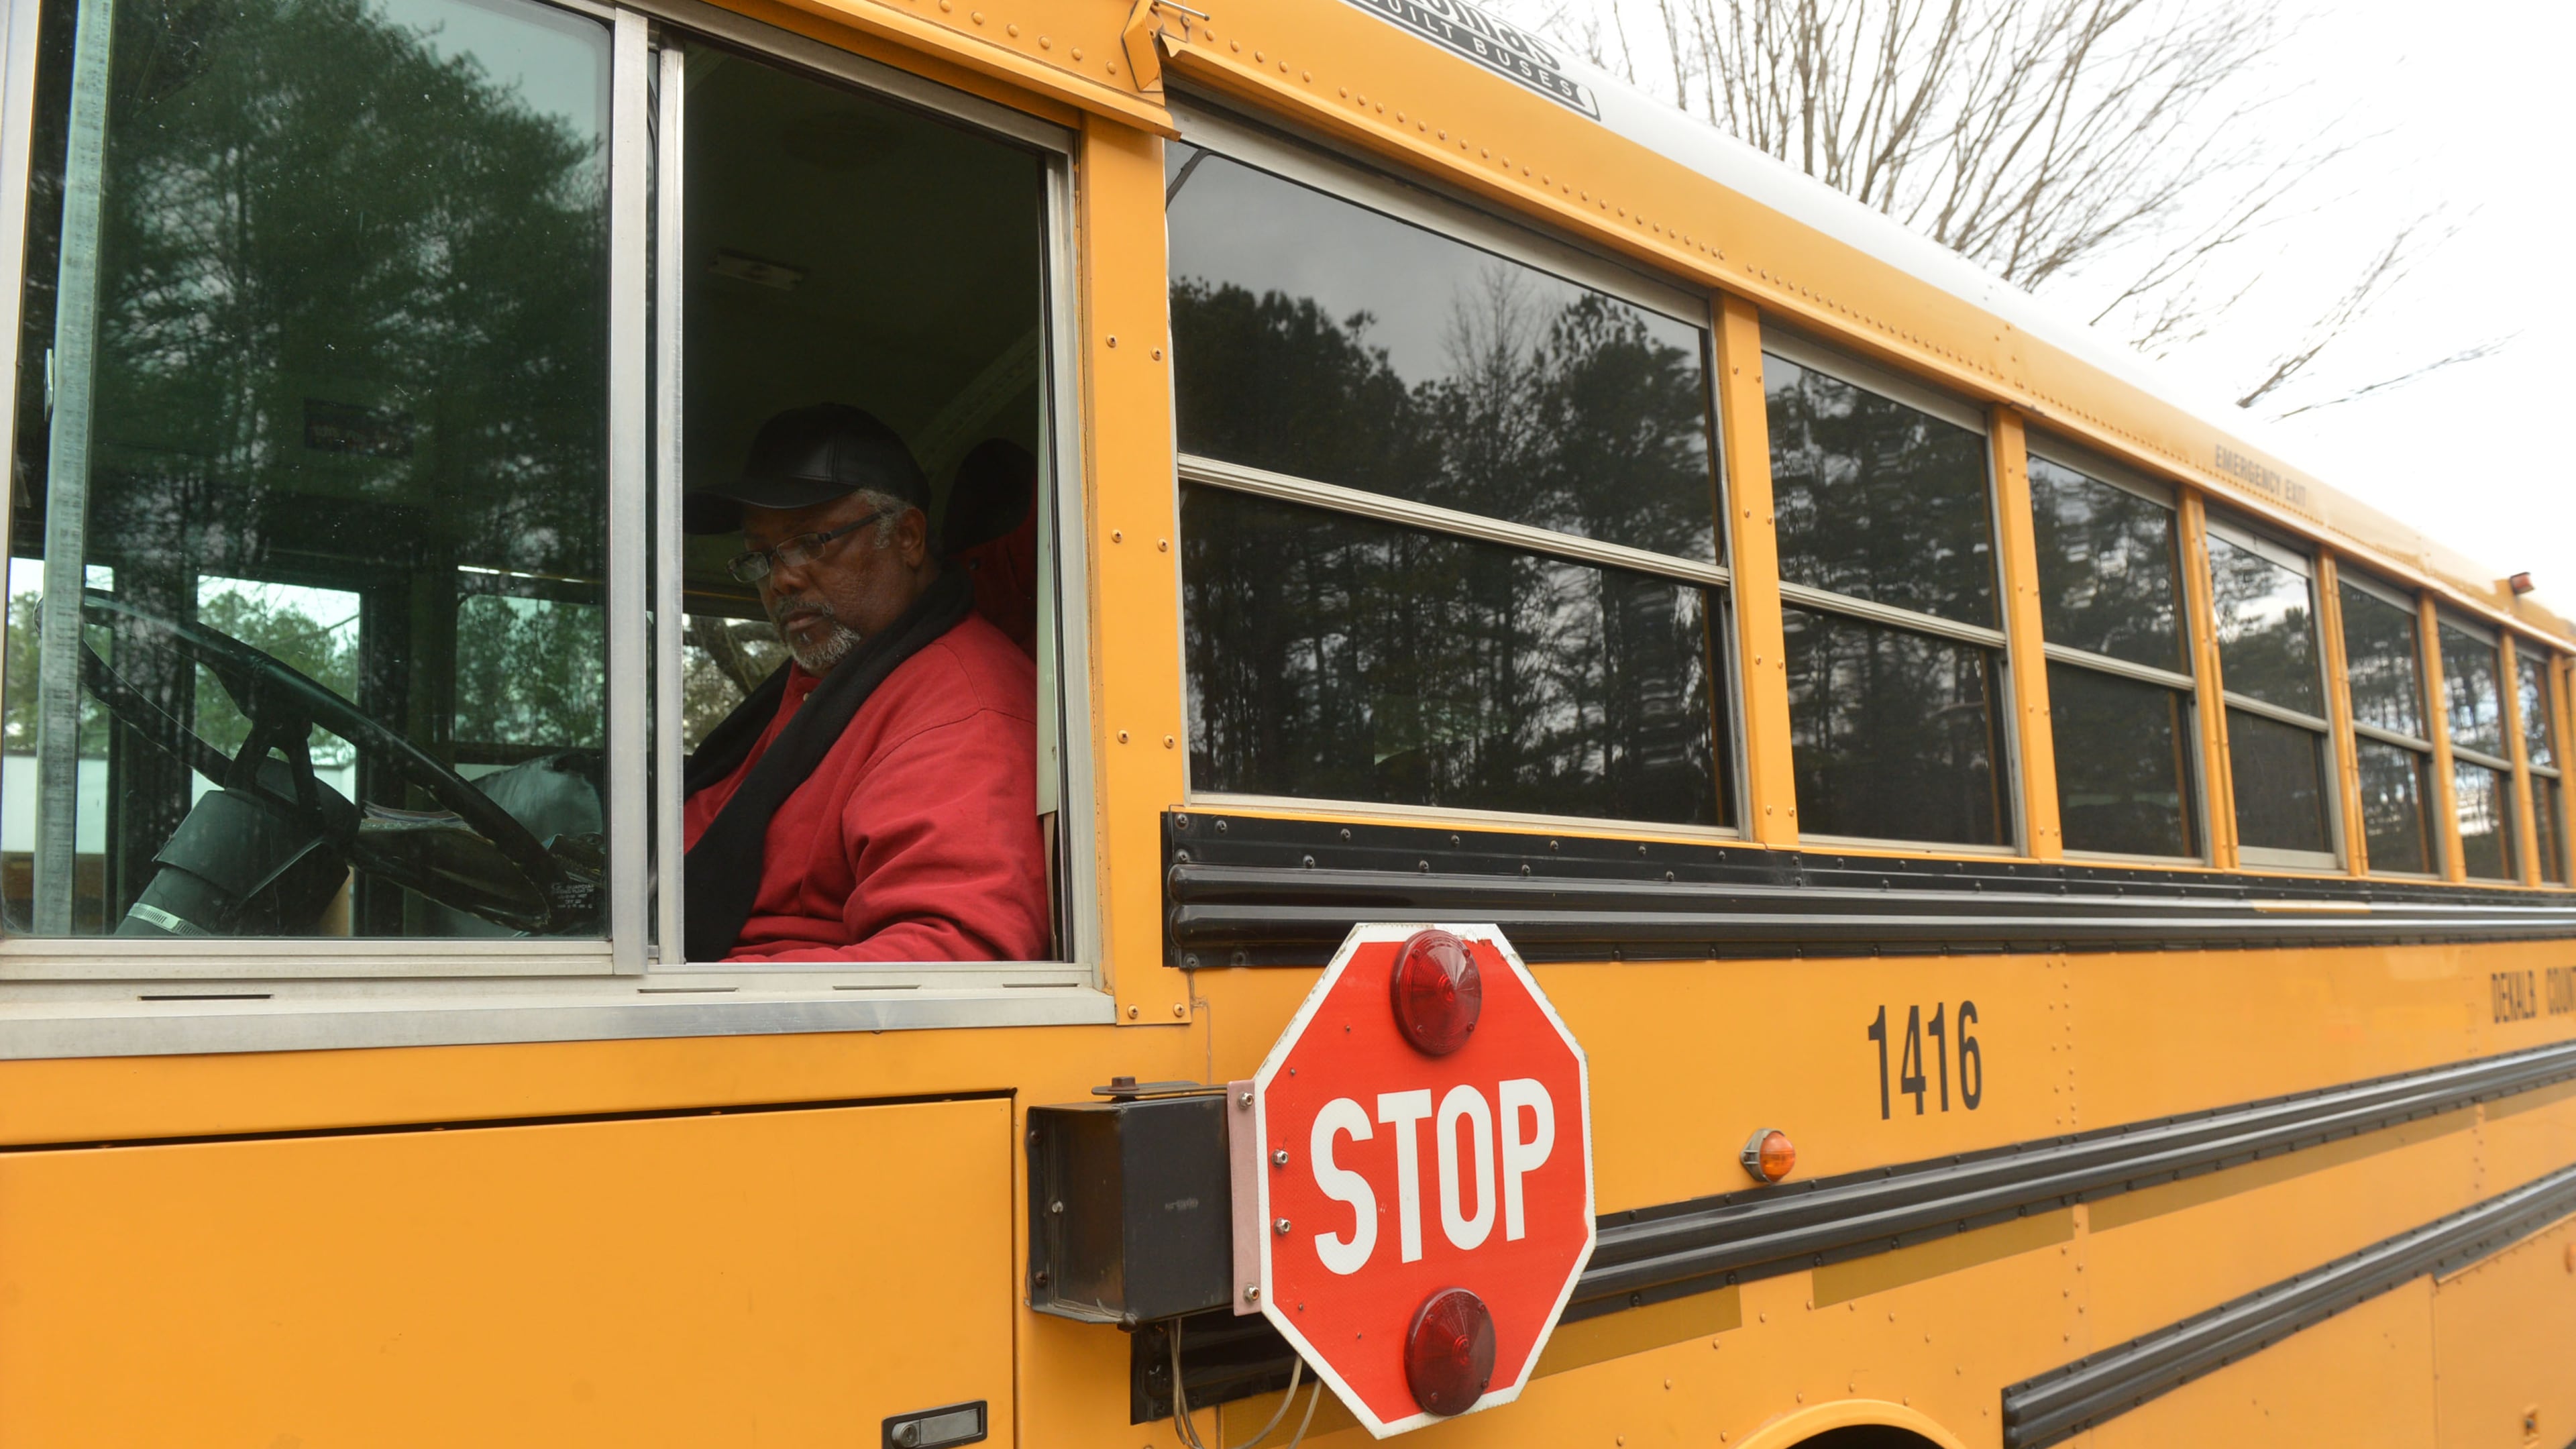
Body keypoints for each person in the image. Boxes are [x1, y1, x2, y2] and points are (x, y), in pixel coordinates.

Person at [680, 403, 1048, 963]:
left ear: (906, 537)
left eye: (813, 541)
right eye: (760, 556)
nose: (782, 578)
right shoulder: (822, 683)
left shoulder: (962, 707)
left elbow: (955, 959)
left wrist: (687, 999)